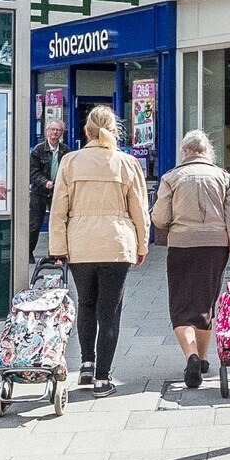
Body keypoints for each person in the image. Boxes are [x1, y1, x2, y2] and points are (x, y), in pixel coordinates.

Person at [49, 103, 149, 393]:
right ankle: (103, 378)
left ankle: (86, 364)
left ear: (87, 131)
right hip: (116, 244)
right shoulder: (127, 163)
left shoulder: (70, 161)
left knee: (86, 304)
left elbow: (58, 210)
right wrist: (142, 245)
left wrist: (58, 248)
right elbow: (139, 210)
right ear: (114, 131)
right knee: (109, 311)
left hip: (80, 244)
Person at [151, 130, 230, 388]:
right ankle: (204, 359)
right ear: (207, 152)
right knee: (207, 303)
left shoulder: (171, 178)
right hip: (215, 248)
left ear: (185, 152)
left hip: (182, 246)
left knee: (181, 306)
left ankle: (191, 356)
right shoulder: (224, 177)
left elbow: (160, 219)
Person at [30, 122, 64, 242]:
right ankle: (28, 251)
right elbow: (33, 172)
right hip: (39, 192)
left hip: (57, 192)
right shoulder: (38, 150)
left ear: (62, 133)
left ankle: (54, 250)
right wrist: (45, 182)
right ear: (47, 131)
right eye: (52, 129)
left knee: (58, 224)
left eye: (58, 130)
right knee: (34, 225)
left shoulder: (65, 150)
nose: (55, 132)